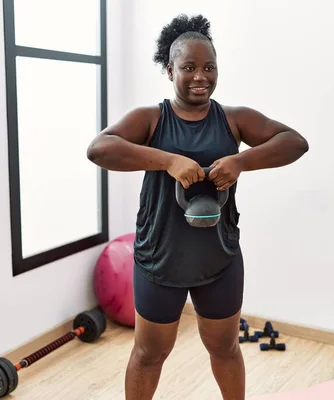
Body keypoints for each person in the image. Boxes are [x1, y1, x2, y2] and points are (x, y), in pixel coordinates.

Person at [86, 13, 309, 400]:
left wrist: (240, 162)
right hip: (160, 259)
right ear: (170, 69)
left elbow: (294, 142)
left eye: (209, 67)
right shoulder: (151, 119)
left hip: (218, 259)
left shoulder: (234, 120)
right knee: (150, 353)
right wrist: (168, 160)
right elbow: (99, 149)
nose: (200, 76)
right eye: (188, 67)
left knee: (224, 348)